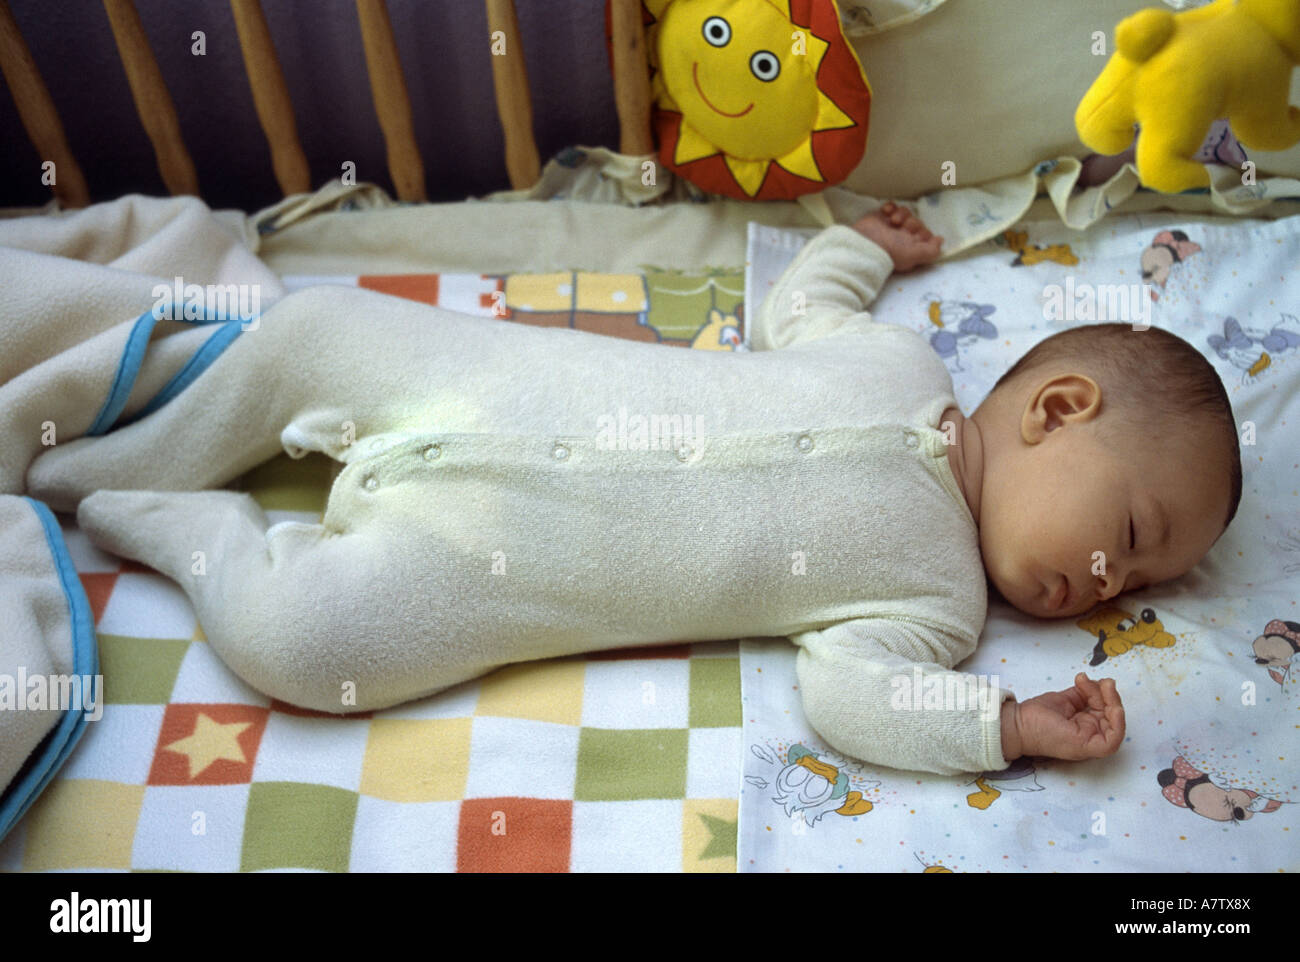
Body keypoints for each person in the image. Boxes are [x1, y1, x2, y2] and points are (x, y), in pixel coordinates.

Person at [26, 203, 1239, 776]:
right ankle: (113, 464)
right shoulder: (900, 361)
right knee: (316, 326)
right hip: (488, 382)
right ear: (1057, 407)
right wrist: (863, 247)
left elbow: (852, 704)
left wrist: (1005, 727)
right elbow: (804, 310)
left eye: (1136, 582)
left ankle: (179, 528)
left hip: (474, 569)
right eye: (1127, 535)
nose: (1104, 585)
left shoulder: (936, 613)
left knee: (308, 642)